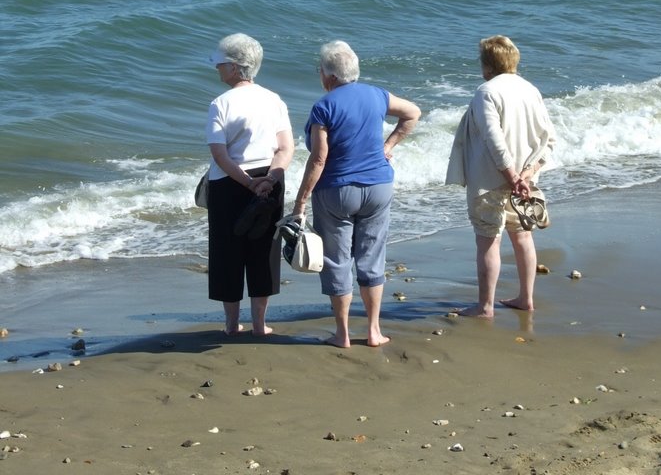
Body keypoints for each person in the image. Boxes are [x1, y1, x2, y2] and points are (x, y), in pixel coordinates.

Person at [293, 40, 421, 348]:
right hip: (378, 187)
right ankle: (374, 331)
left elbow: (319, 158)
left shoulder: (325, 106)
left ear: (330, 76)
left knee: (337, 261)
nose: (320, 76)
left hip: (337, 191)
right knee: (371, 257)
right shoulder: (376, 95)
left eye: (320, 70)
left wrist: (300, 201)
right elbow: (412, 113)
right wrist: (387, 147)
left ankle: (343, 334)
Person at [446, 35, 556, 315]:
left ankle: (485, 306)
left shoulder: (487, 91)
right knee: (522, 236)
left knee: (487, 239)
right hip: (525, 178)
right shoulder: (530, 89)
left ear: (487, 65)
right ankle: (525, 298)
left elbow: (494, 140)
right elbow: (548, 139)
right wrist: (527, 174)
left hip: (491, 179)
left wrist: (510, 176)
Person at [205, 33, 295, 336]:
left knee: (226, 252)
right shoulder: (274, 99)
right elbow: (286, 148)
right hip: (271, 180)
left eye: (219, 64)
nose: (217, 69)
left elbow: (219, 154)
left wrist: (247, 183)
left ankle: (232, 324)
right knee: (264, 250)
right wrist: (270, 179)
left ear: (233, 67)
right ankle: (259, 324)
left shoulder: (220, 104)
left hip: (230, 184)